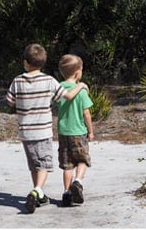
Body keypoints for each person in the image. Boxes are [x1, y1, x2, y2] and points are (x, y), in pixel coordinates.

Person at [6, 44, 88, 214]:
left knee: (34, 164)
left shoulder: (17, 81)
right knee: (43, 164)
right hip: (43, 130)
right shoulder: (49, 80)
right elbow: (68, 96)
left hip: (25, 131)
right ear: (42, 63)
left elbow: (10, 102)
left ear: (25, 63)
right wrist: (81, 85)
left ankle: (39, 195)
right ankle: (37, 190)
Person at [57, 54, 94, 207]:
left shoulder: (59, 88)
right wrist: (91, 131)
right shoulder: (81, 91)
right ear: (78, 72)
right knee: (82, 160)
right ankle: (78, 182)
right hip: (78, 131)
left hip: (63, 132)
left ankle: (66, 192)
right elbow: (86, 113)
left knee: (67, 165)